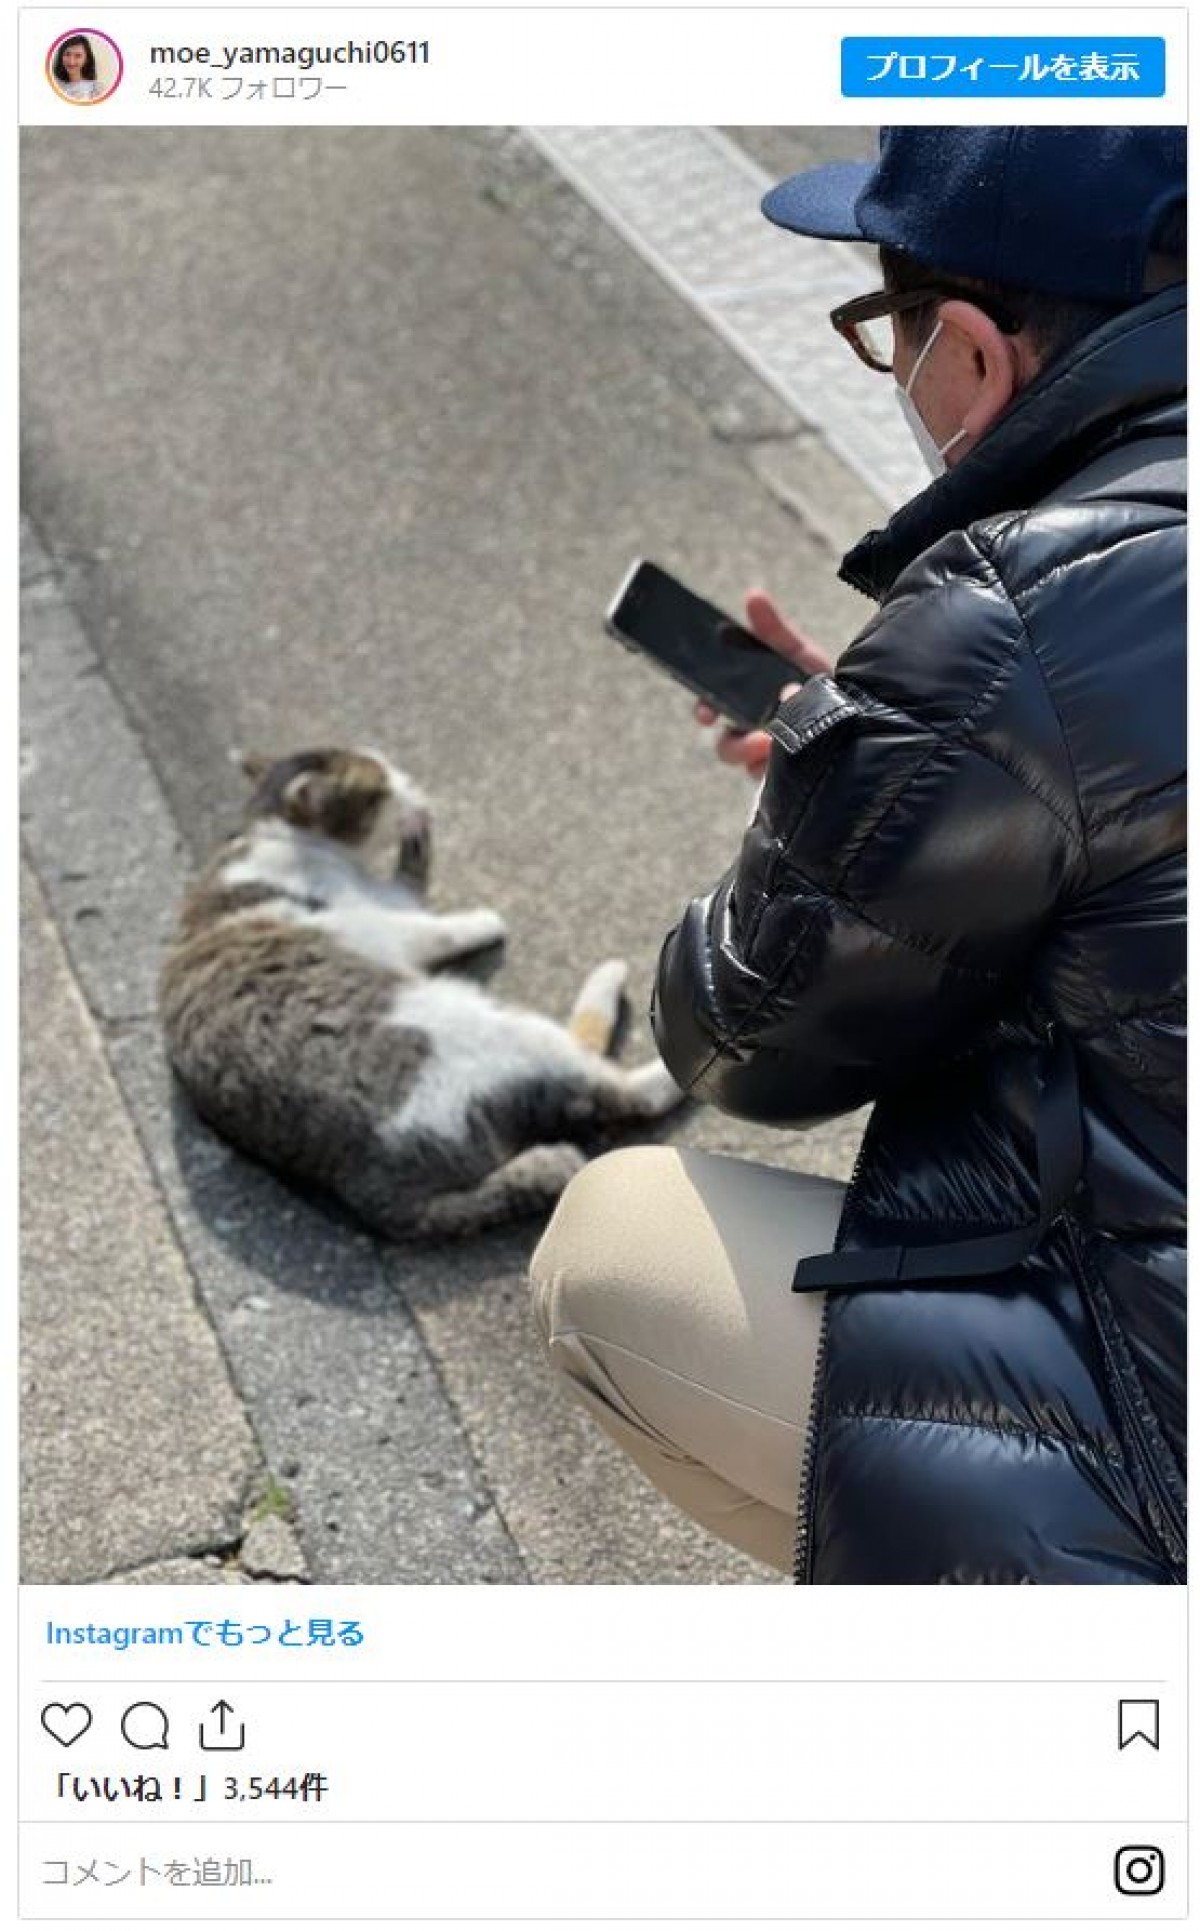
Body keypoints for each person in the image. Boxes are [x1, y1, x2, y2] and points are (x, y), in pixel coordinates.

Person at [530, 127, 1186, 1585]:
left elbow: (743, 1038)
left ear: (964, 350)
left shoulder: (1008, 616)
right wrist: (894, 749)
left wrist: (843, 783)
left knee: (612, 1244)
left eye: (887, 331)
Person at [52, 35, 104, 101]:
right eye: (67, 54)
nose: (71, 62)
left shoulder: (95, 89)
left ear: (87, 58)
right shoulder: (53, 84)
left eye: (78, 56)